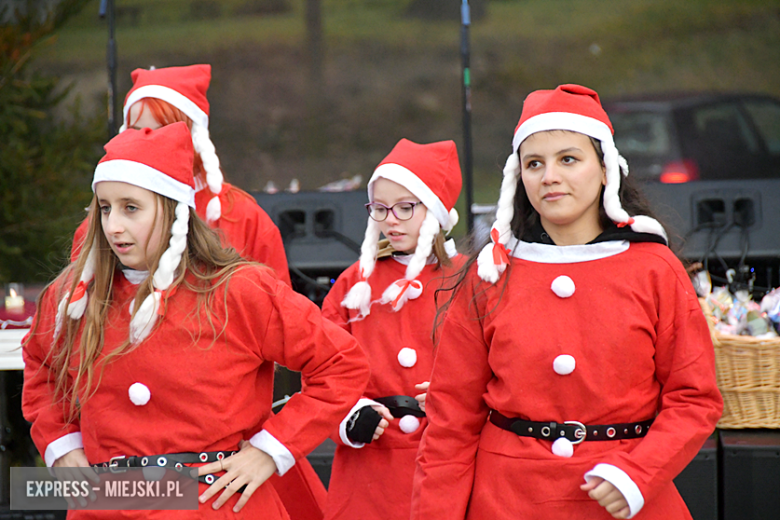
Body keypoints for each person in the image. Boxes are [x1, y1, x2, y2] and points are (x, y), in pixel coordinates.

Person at [22, 123, 370, 519]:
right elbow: (41, 367)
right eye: (105, 208)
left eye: (130, 208)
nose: (113, 225)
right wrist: (62, 446)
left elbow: (341, 363)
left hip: (217, 506)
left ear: (172, 210)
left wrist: (269, 450)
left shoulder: (238, 290)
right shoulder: (73, 295)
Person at [410, 85, 723, 520]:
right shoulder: (489, 275)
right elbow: (451, 421)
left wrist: (637, 474)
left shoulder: (655, 269)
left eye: (568, 159)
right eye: (534, 163)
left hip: (628, 500)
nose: (549, 176)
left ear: (605, 168)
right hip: (505, 502)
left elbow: (694, 399)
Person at [320, 138, 464, 520]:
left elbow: (505, 365)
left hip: (445, 459)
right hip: (370, 468)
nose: (391, 220)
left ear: (434, 210)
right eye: (380, 209)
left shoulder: (470, 281)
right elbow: (323, 369)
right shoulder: (354, 284)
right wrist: (348, 417)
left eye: (405, 208)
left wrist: (458, 395)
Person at [70, 64, 291, 286]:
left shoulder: (244, 217)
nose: (150, 141)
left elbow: (277, 310)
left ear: (196, 138)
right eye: (136, 131)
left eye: (165, 131)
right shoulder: (103, 226)